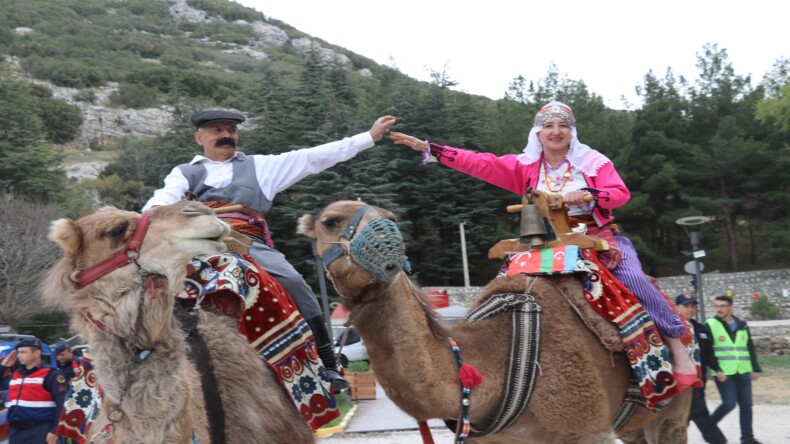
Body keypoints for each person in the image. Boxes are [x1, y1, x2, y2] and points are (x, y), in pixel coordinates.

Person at [390, 101, 697, 387]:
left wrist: (589, 194)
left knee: (633, 278)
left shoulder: (593, 162)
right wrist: (431, 148)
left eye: (562, 125)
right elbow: (481, 163)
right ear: (538, 133)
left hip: (596, 236)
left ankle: (675, 344)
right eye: (548, 126)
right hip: (544, 241)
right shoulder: (525, 166)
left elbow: (620, 194)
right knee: (502, 285)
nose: (555, 131)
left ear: (571, 132)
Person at [143, 110, 397, 391]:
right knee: (149, 284)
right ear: (199, 137)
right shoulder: (184, 173)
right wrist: (153, 213)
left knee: (293, 281)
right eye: (217, 130)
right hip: (199, 244)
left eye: (231, 130)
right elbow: (161, 201)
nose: (226, 135)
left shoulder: (262, 166)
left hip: (247, 241)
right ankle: (146, 356)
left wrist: (367, 137)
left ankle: (327, 363)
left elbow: (312, 157)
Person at [707, 295, 762, 444]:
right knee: (729, 404)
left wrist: (755, 368)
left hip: (743, 370)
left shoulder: (742, 324)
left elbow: (749, 346)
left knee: (747, 405)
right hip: (724, 372)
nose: (719, 309)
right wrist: (715, 369)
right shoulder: (711, 324)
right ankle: (708, 428)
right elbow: (707, 350)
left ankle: (747, 439)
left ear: (731, 307)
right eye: (717, 306)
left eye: (722, 306)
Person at [676, 293, 728, 444]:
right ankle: (718, 441)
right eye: (686, 306)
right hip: (679, 383)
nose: (690, 310)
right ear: (677, 308)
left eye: (693, 306)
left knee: (685, 416)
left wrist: (717, 369)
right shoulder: (670, 329)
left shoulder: (701, 329)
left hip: (699, 381)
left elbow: (709, 353)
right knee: (696, 414)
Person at [0, 338, 68, 444]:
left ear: (37, 353)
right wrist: (3, 366)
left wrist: (55, 431)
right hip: (16, 433)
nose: (18, 356)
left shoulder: (51, 374)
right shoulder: (15, 376)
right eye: (18, 352)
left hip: (40, 432)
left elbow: (62, 405)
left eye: (23, 352)